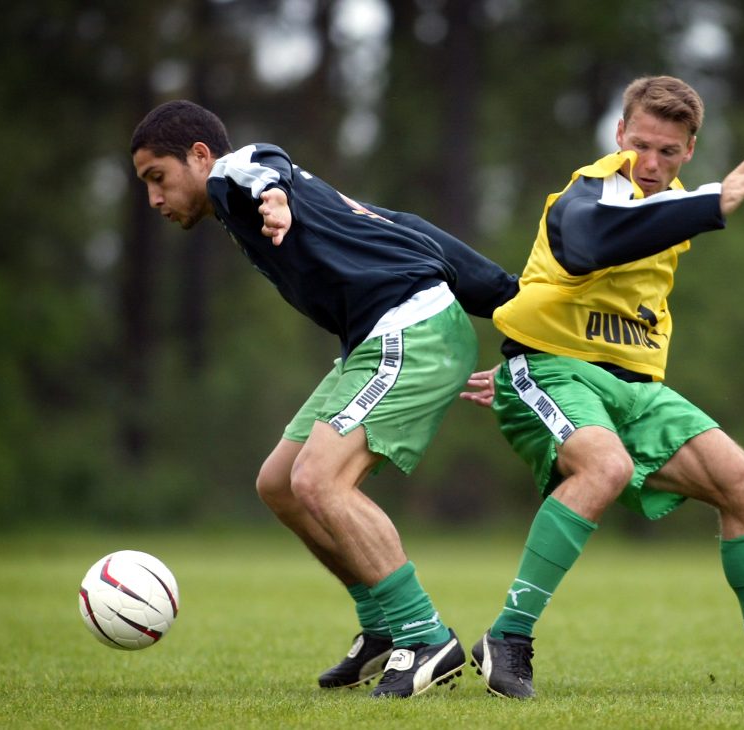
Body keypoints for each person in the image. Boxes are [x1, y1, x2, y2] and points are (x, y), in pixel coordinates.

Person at [460, 76, 744, 698]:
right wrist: (708, 203)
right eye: (640, 144)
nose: (651, 163)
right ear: (618, 135)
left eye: (668, 152)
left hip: (633, 390)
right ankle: (508, 638)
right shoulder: (587, 192)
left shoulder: (670, 206)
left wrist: (694, 203)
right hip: (555, 370)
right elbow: (587, 246)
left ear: (690, 149)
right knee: (605, 467)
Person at [130, 100, 518, 698]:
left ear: (200, 157)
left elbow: (263, 162)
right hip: (375, 337)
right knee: (281, 484)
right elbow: (405, 226)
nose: (154, 199)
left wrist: (275, 196)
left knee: (320, 479)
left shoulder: (239, 176)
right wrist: (508, 298)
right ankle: (384, 628)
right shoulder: (290, 199)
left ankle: (425, 637)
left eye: (158, 177)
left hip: (410, 329)